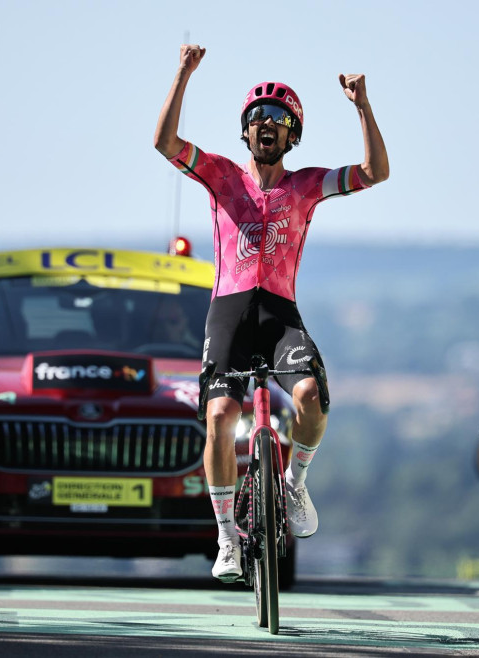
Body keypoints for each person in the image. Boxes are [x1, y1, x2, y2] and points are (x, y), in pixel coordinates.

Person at [155, 45, 389, 581]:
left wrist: (363, 105)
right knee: (219, 417)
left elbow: (376, 172)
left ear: (292, 136)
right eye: (257, 118)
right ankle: (226, 539)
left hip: (280, 314)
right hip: (230, 314)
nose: (267, 124)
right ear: (245, 132)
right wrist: (184, 73)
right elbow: (165, 143)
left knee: (311, 399)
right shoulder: (220, 176)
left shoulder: (305, 186)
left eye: (279, 120)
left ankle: (295, 484)